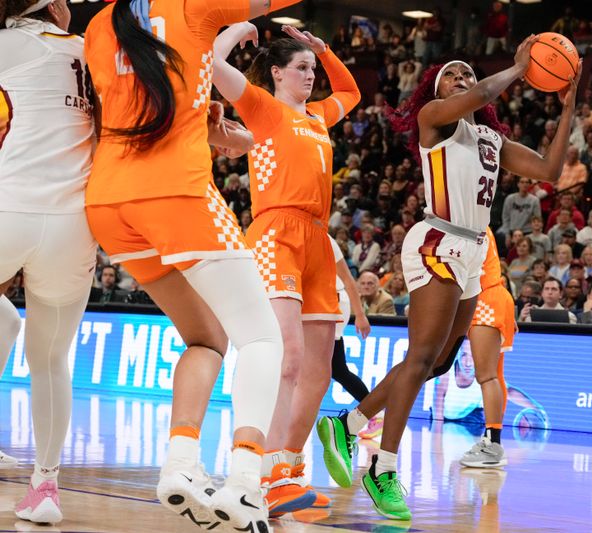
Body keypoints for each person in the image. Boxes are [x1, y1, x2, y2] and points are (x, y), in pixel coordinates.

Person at [316, 40, 581, 520]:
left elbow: (550, 170)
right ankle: (383, 467)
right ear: (435, 89)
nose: (461, 79)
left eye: (466, 74)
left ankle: (349, 424)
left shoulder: (491, 141)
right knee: (420, 357)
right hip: (437, 240)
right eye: (451, 75)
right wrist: (520, 68)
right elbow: (480, 95)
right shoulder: (435, 119)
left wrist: (569, 106)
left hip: (474, 251)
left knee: (436, 364)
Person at [84, 1, 298, 530]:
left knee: (206, 339)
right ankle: (246, 481)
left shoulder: (97, 24)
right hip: (176, 194)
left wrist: (214, 126)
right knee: (263, 337)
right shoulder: (192, 4)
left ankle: (181, 466)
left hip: (108, 202)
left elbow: (142, 105)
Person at [210, 20, 361, 516]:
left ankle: (289, 468)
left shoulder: (319, 117)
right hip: (276, 232)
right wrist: (236, 30)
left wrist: (323, 48)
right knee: (288, 357)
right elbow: (211, 63)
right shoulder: (262, 105)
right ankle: (263, 473)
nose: (310, 74)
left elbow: (352, 91)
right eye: (301, 67)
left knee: (319, 371)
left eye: (312, 68)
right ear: (276, 74)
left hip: (318, 237)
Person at [0, 0, 96, 524]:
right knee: (51, 361)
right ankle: (45, 488)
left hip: (8, 207)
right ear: (55, 7)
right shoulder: (93, 52)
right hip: (73, 226)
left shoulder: (8, 45)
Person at [460, 228, 517, 468]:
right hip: (495, 296)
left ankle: (493, 445)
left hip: (485, 299)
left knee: (487, 376)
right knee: (496, 375)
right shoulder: (480, 223)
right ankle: (491, 439)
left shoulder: (467, 223)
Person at [328, 235, 383, 439]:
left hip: (331, 302)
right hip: (318, 303)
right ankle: (374, 413)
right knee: (337, 370)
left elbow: (349, 281)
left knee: (338, 370)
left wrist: (360, 315)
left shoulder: (324, 239)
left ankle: (374, 414)